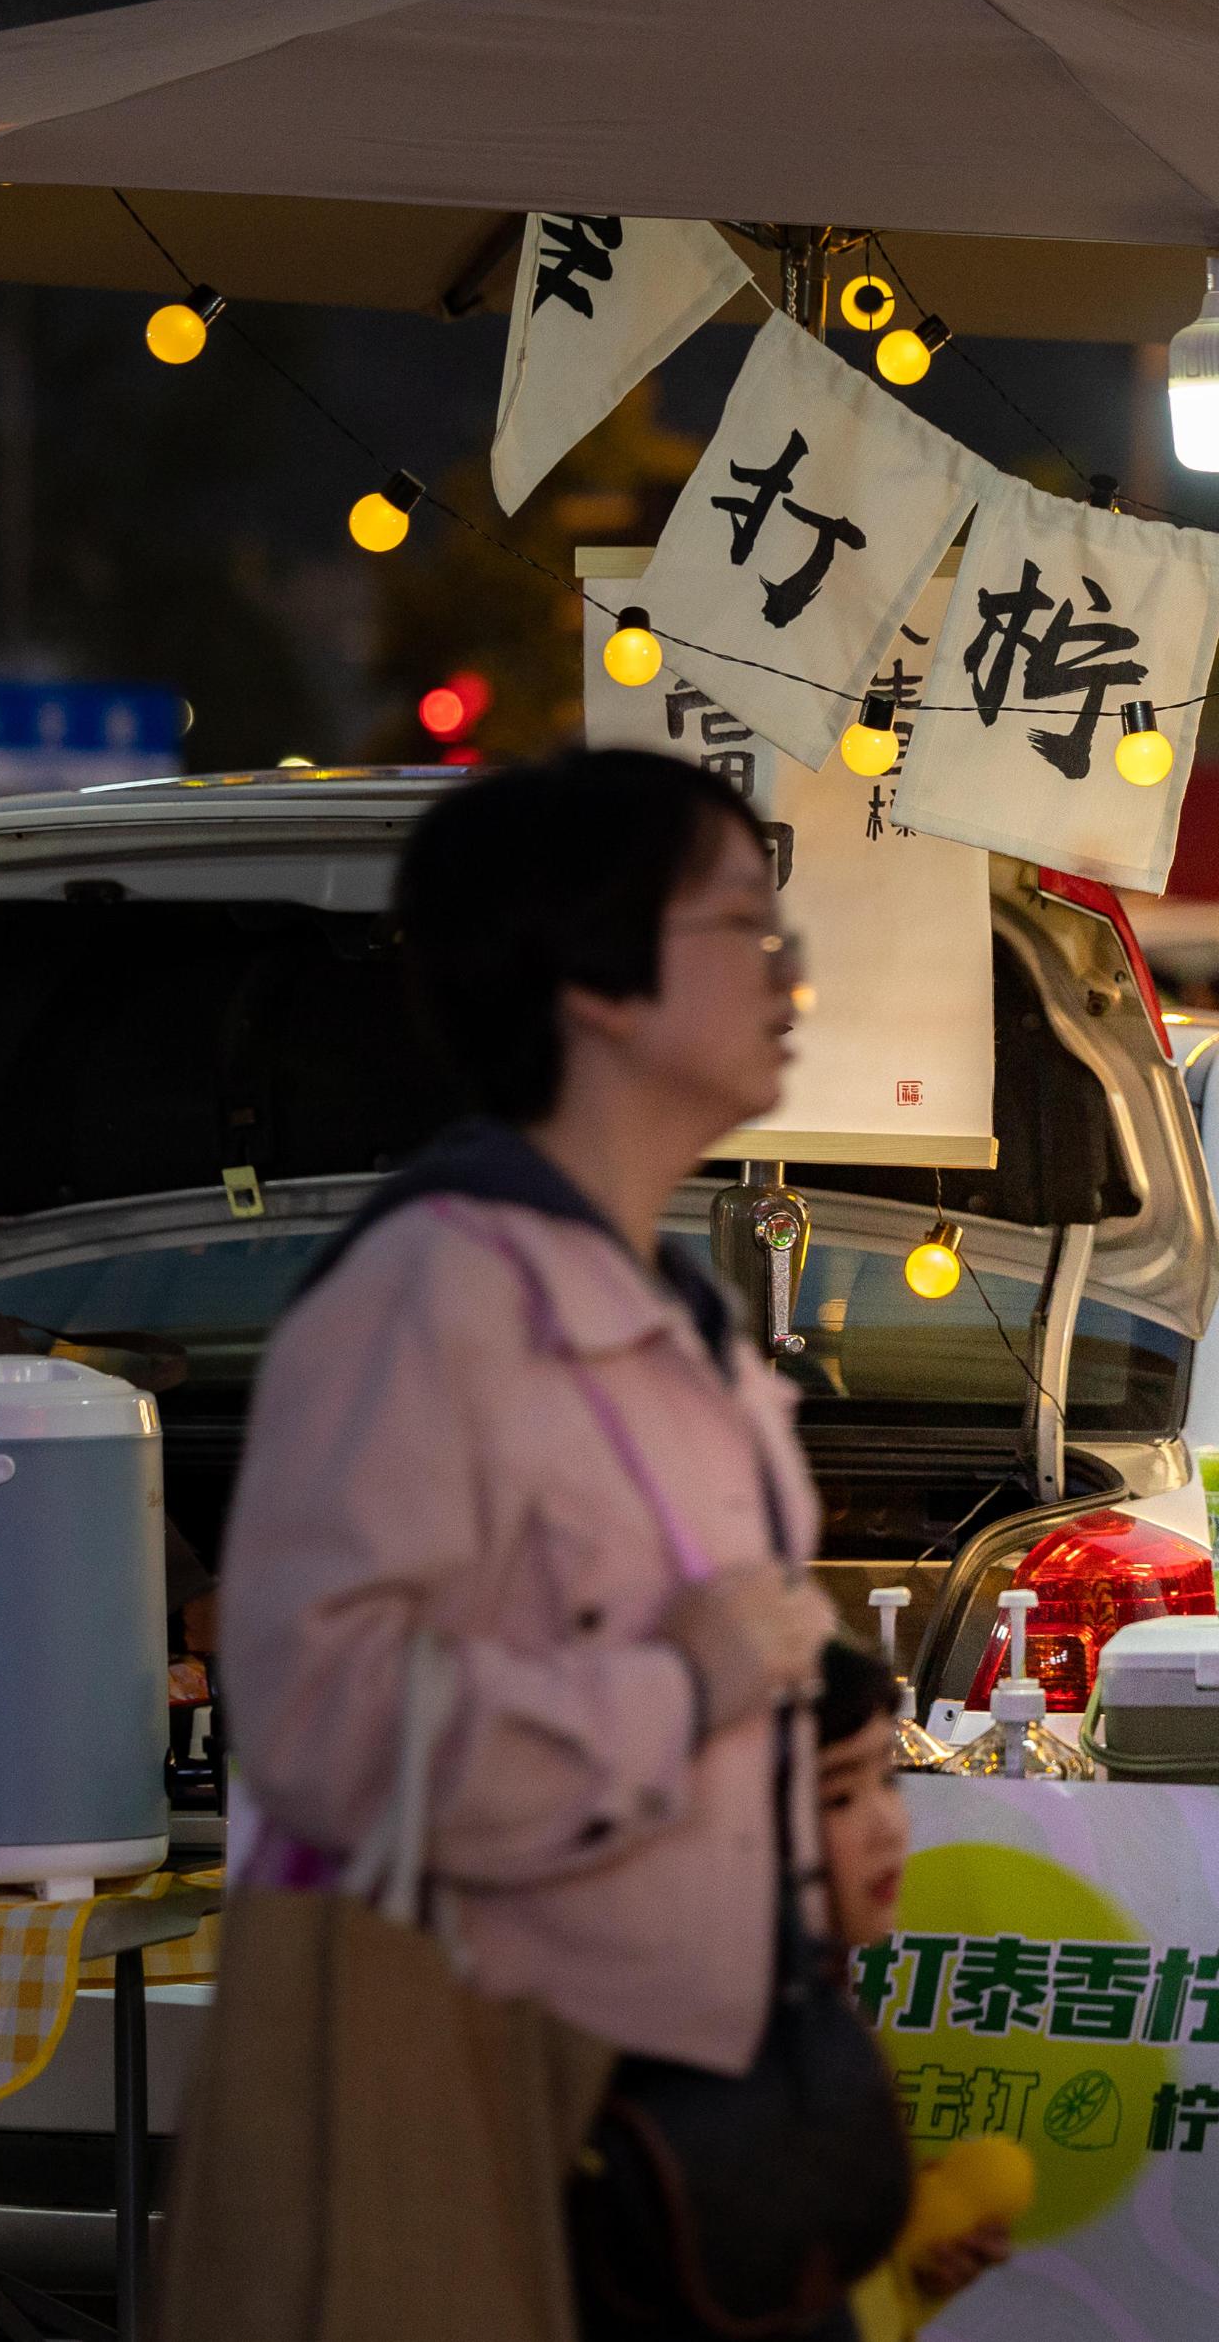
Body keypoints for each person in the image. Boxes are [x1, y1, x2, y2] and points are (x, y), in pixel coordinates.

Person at [211, 747, 871, 2335]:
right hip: (501, 2113)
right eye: (743, 924)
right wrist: (679, 1686)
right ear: (595, 981)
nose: (793, 969)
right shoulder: (435, 1295)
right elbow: (320, 1713)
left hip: (696, 2122)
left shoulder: (673, 1304)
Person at [818, 1641, 1015, 2342]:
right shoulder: (720, 2066)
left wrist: (906, 2269)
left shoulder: (817, 2017)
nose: (887, 1824)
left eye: (887, 1780)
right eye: (838, 1795)